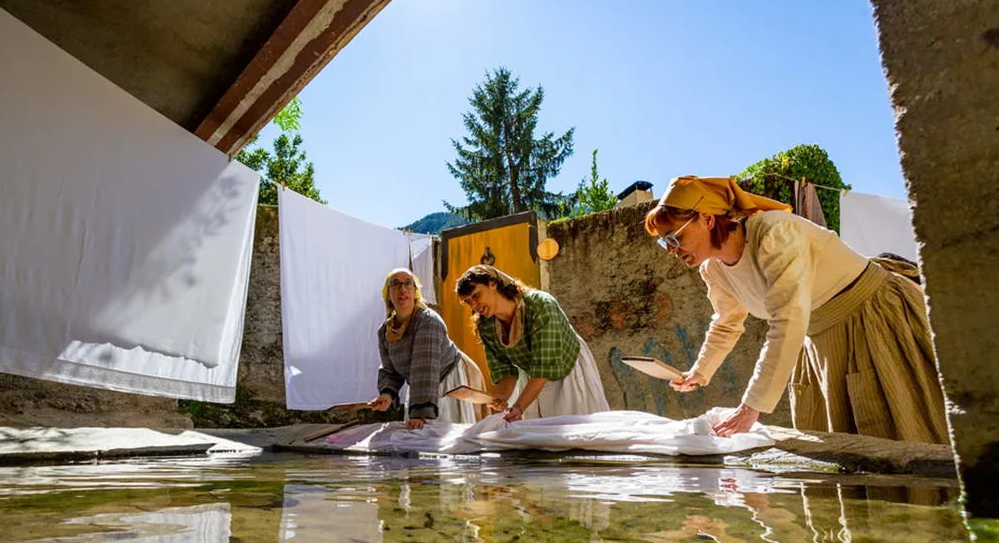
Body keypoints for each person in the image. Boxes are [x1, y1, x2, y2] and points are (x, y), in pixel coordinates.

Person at [644, 175, 948, 444]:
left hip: (872, 320)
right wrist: (699, 372)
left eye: (674, 237)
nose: (671, 249)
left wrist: (750, 408)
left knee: (899, 427)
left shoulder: (775, 233)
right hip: (819, 340)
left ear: (707, 219)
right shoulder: (713, 269)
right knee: (840, 443)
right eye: (663, 243)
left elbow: (788, 319)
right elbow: (727, 322)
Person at [454, 265, 609, 421]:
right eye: (468, 302)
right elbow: (503, 369)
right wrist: (503, 395)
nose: (474, 306)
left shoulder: (541, 305)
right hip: (532, 379)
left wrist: (520, 406)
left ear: (492, 284)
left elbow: (544, 366)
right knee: (540, 431)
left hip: (566, 371)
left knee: (574, 426)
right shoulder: (486, 326)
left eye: (476, 296)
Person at [369, 268, 486, 429]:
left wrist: (420, 413)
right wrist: (387, 394)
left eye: (408, 284)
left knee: (444, 433)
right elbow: (390, 370)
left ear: (415, 292)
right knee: (418, 433)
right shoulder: (385, 331)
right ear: (388, 295)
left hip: (448, 379)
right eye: (396, 284)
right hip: (421, 384)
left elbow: (425, 367)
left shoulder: (427, 322)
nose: (403, 289)